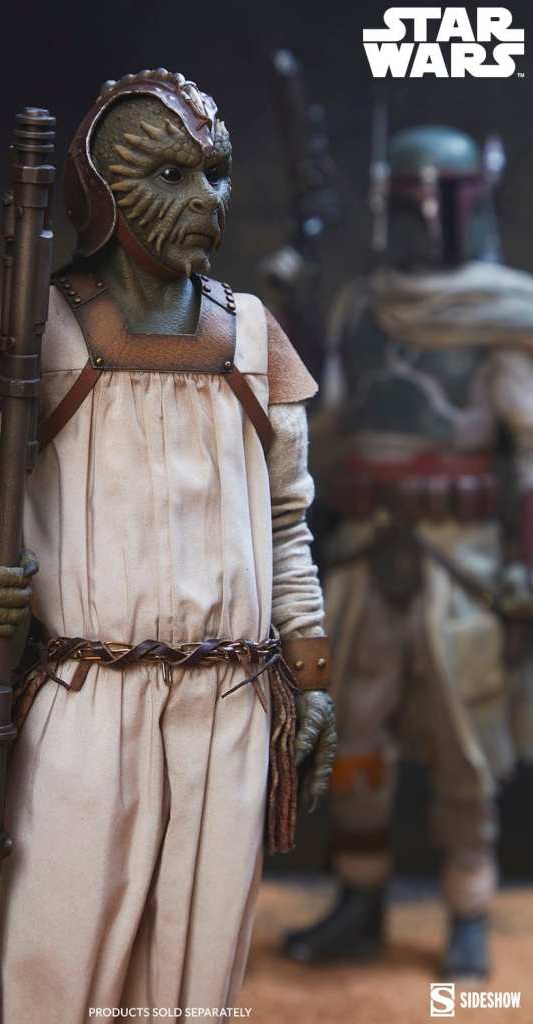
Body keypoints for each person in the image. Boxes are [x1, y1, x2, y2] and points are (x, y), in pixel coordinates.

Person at [0, 69, 336, 1021]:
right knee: (55, 971)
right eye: (171, 176)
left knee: (195, 982)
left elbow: (287, 523)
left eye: (216, 174)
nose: (206, 201)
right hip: (84, 705)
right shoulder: (41, 334)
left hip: (231, 709)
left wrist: (310, 675)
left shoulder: (252, 338)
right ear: (101, 194)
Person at [282, 124, 533, 980]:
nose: (417, 223)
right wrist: (300, 327)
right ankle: (360, 896)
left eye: (432, 205)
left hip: (462, 561)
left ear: (468, 206)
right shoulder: (364, 306)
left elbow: (529, 454)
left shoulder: (504, 314)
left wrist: (526, 568)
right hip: (365, 553)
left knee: (466, 743)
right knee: (353, 733)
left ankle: (468, 906)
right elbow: (323, 422)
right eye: (403, 205)